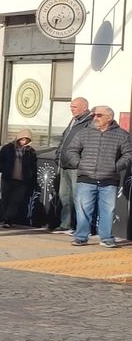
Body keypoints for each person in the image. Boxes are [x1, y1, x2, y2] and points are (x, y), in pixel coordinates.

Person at [62, 105, 132, 248]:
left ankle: (106, 238)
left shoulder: (122, 135)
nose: (95, 118)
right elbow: (71, 150)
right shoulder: (84, 133)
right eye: (94, 115)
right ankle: (81, 237)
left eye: (99, 115)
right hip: (86, 178)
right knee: (83, 210)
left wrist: (116, 167)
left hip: (109, 180)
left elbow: (129, 154)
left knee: (107, 211)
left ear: (109, 118)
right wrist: (79, 163)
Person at [50, 97, 92, 232]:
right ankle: (65, 224)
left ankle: (78, 227)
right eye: (71, 107)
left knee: (77, 198)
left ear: (84, 107)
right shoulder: (73, 121)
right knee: (64, 196)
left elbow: (88, 145)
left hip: (75, 167)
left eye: (74, 107)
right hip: (64, 165)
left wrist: (79, 162)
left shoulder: (89, 123)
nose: (71, 109)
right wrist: (58, 154)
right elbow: (64, 139)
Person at [0, 131, 38, 227]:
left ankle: (8, 219)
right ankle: (6, 219)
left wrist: (30, 175)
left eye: (26, 140)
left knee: (16, 200)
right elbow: (0, 159)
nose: (24, 142)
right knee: (6, 198)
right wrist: (4, 170)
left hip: (22, 180)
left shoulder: (30, 151)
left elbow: (33, 166)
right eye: (22, 139)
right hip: (8, 178)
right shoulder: (8, 148)